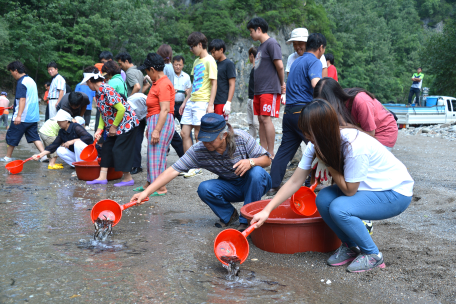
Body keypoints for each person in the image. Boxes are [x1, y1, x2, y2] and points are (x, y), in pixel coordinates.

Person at [251, 99, 414, 272]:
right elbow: (294, 181)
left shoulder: (353, 145)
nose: (307, 138)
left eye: (309, 134)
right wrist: (267, 210)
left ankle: (372, 254)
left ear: (322, 130)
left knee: (339, 207)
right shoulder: (317, 143)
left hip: (395, 193)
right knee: (323, 198)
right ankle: (350, 247)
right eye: (306, 133)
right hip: (369, 189)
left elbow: (349, 190)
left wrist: (327, 162)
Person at [130, 113, 272, 231]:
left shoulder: (242, 138)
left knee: (257, 173)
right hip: (231, 186)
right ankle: (229, 215)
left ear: (224, 135)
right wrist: (146, 192)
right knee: (204, 188)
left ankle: (246, 222)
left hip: (255, 183)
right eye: (203, 139)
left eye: (210, 140)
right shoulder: (199, 150)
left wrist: (251, 162)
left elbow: (267, 159)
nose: (206, 143)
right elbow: (172, 171)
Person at [267, 33, 326, 196]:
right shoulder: (314, 61)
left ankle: (272, 186)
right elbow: (316, 85)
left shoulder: (296, 62)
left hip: (289, 113)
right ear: (320, 47)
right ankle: (311, 183)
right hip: (304, 113)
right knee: (318, 147)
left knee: (284, 150)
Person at [82, 67, 140, 186]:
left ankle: (128, 178)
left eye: (87, 83)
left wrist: (113, 126)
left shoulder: (107, 89)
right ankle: (102, 177)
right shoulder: (98, 94)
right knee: (107, 148)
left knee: (119, 150)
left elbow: (121, 109)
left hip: (126, 124)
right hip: (114, 126)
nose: (87, 86)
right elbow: (104, 113)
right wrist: (99, 129)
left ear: (89, 81)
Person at [314, 77, 398, 150]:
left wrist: (345, 124)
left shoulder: (362, 101)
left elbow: (370, 135)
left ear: (334, 98)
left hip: (382, 134)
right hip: (364, 132)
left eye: (328, 104)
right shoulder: (340, 104)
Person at [133, 53, 175, 195]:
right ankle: (150, 184)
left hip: (161, 122)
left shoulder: (163, 84)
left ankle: (161, 188)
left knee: (157, 155)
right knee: (153, 154)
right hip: (155, 121)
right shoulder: (157, 83)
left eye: (147, 71)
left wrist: (156, 130)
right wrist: (151, 128)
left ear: (152, 69)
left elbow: (164, 109)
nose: (147, 74)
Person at [179, 31, 218, 178]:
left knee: (197, 134)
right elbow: (194, 84)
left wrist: (210, 104)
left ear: (200, 45)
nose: (191, 50)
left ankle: (197, 166)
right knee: (184, 133)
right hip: (192, 100)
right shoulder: (196, 62)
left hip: (202, 101)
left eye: (192, 46)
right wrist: (184, 101)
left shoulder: (210, 61)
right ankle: (190, 165)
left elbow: (214, 84)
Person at [247, 17, 285, 157]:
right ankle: (263, 150)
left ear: (259, 29)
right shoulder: (261, 47)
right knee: (260, 120)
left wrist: (282, 85)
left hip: (269, 88)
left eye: (251, 31)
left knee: (265, 119)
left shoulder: (272, 43)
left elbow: (280, 66)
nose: (250, 34)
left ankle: (271, 152)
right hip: (259, 90)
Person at [1, 61, 45, 162]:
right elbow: (26, 98)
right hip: (33, 116)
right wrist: (15, 106)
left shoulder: (21, 82)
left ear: (16, 71)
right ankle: (43, 155)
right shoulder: (30, 80)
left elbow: (22, 99)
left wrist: (19, 115)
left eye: (11, 71)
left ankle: (7, 157)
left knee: (12, 136)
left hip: (23, 117)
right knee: (34, 136)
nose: (11, 74)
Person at [115, 52, 146, 175]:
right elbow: (145, 85)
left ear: (126, 61)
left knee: (135, 138)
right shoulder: (139, 71)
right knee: (138, 136)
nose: (120, 66)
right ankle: (136, 164)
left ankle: (136, 165)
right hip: (141, 109)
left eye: (121, 63)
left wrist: (128, 102)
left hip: (134, 110)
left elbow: (137, 87)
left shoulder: (129, 72)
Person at [169, 55, 191, 158]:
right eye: (176, 64)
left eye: (180, 65)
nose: (177, 66)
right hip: (170, 105)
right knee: (169, 128)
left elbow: (190, 91)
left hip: (182, 105)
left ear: (183, 65)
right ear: (172, 64)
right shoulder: (169, 75)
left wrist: (188, 92)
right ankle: (180, 152)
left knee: (186, 129)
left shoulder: (186, 76)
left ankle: (189, 153)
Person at [209, 39, 236, 121]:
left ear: (221, 50)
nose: (212, 54)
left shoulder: (229, 64)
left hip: (222, 101)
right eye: (211, 52)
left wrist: (228, 102)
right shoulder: (214, 64)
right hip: (213, 101)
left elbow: (232, 84)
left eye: (214, 52)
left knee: (220, 127)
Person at [247, 47, 259, 138]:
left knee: (256, 123)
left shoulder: (258, 69)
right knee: (251, 123)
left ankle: (262, 144)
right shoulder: (253, 68)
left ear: (252, 55)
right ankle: (251, 143)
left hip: (256, 98)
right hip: (250, 98)